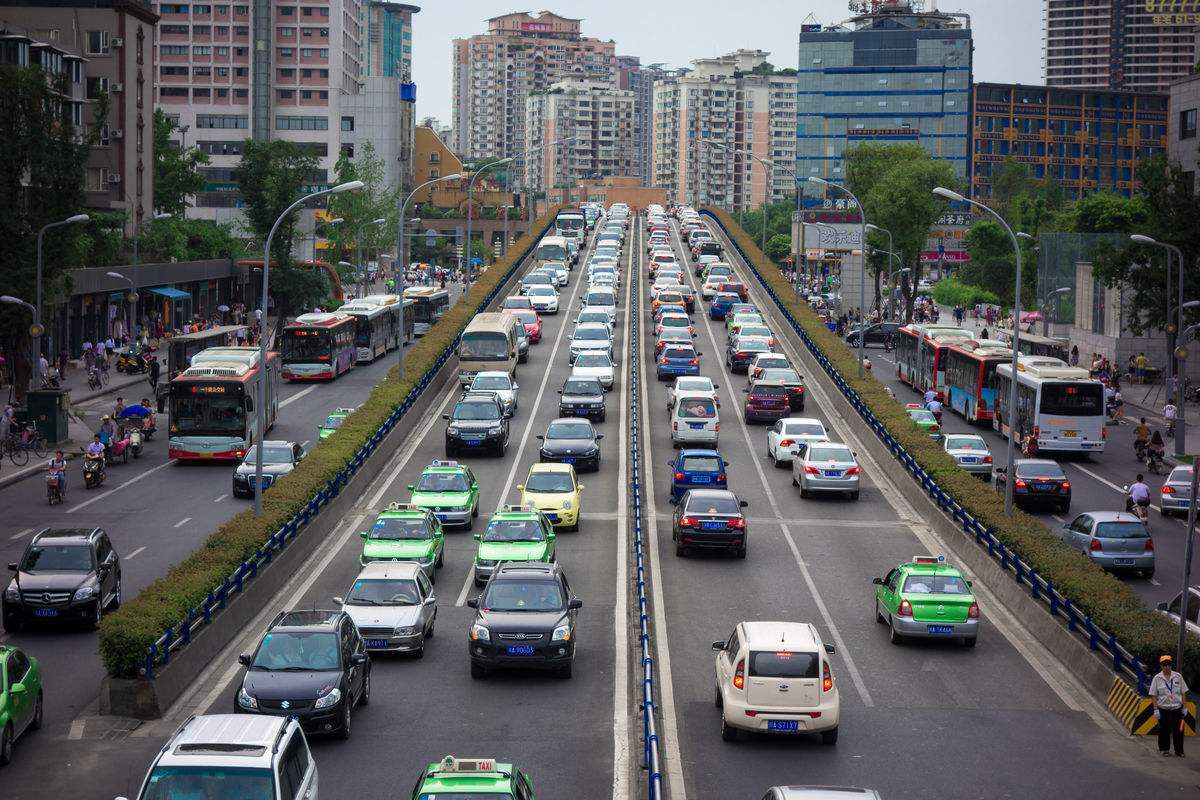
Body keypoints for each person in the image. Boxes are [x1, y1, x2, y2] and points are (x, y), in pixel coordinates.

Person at [1150, 655, 1188, 757]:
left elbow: (1183, 692)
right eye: (1164, 664)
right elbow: (1153, 695)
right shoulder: (1157, 678)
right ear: (1161, 666)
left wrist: (1184, 707)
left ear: (1171, 665)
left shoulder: (1178, 677)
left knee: (1179, 731)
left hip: (1177, 709)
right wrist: (1155, 709)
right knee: (1164, 730)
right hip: (1163, 709)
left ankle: (1179, 751)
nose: (1167, 666)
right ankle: (1164, 749)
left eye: (1168, 664)